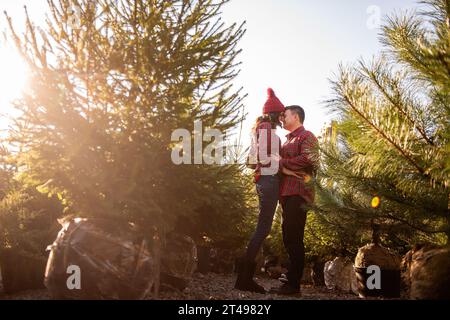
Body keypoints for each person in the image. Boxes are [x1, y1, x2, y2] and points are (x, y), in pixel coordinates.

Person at [234, 88, 286, 293]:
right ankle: (244, 278)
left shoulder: (262, 128)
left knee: (262, 228)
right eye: (280, 113)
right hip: (268, 180)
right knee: (262, 228)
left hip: (264, 180)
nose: (282, 117)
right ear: (273, 113)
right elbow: (263, 158)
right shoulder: (265, 127)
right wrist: (282, 163)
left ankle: (244, 278)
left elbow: (251, 160)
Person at [270, 105, 319, 296]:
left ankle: (293, 285)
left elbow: (308, 159)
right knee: (288, 236)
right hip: (287, 194)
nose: (282, 118)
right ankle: (290, 280)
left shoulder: (307, 136)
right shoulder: (287, 140)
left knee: (294, 237)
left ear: (296, 116)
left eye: (286, 115)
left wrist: (281, 163)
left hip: (299, 192)